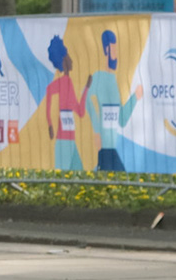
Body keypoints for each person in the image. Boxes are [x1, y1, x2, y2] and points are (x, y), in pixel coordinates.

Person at [83, 30, 141, 173]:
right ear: (106, 50)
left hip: (115, 147)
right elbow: (85, 99)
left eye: (116, 49)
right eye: (113, 49)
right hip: (104, 146)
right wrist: (96, 130)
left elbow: (122, 119)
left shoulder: (115, 81)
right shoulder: (98, 76)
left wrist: (135, 97)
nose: (115, 54)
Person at [44, 35, 86, 171]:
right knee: (61, 177)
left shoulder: (69, 83)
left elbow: (80, 111)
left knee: (80, 176)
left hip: (71, 141)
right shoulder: (62, 82)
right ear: (63, 59)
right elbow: (49, 90)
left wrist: (86, 88)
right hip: (63, 143)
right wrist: (50, 124)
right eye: (67, 54)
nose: (71, 59)